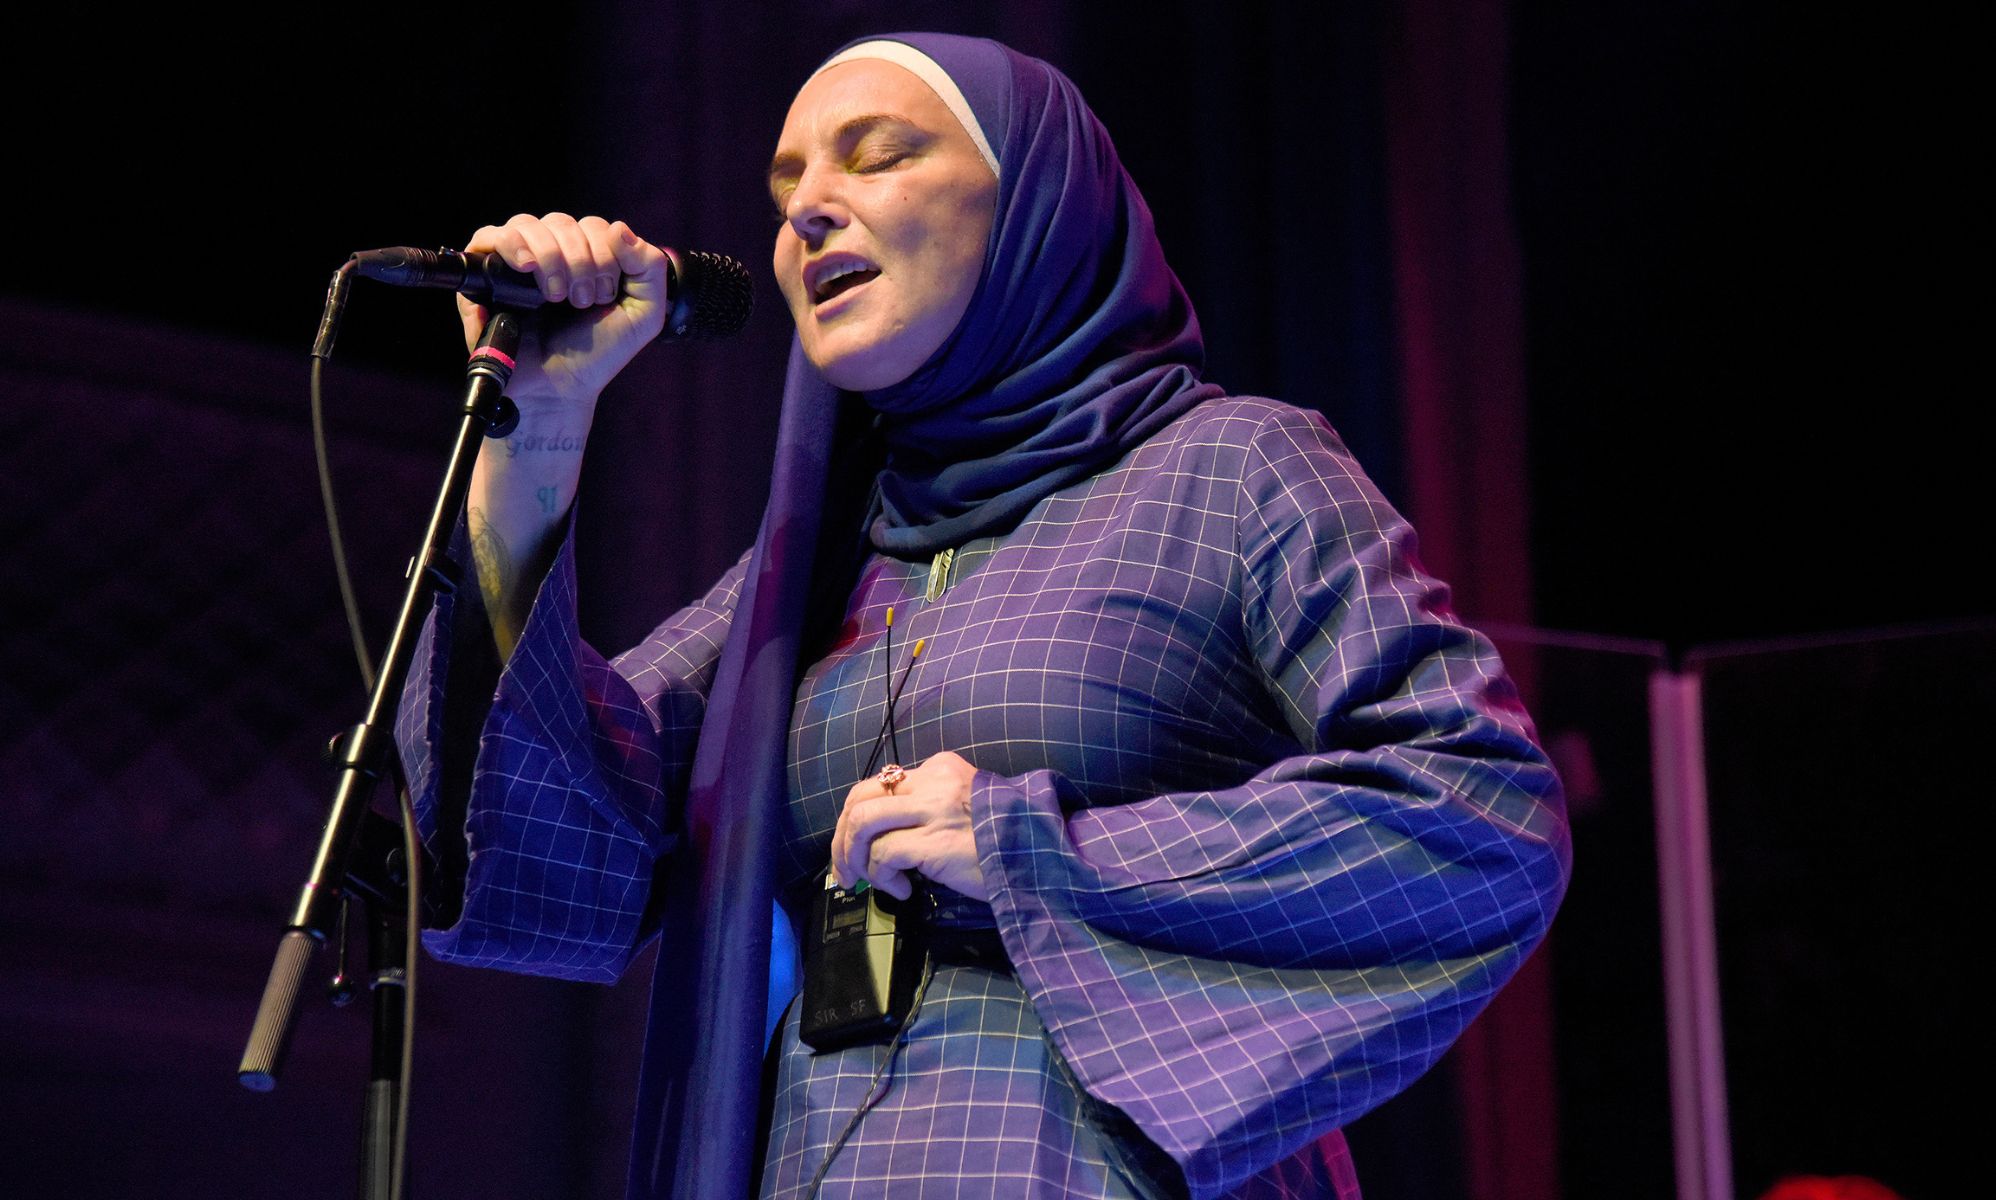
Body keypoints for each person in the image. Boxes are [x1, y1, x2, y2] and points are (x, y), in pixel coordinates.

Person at [395, 31, 1571, 1200]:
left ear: (1034, 206)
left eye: (876, 155)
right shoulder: (807, 566)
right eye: (787, 183)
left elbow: (1477, 808)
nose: (809, 209)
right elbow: (539, 861)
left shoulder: (1229, 469)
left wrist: (1027, 848)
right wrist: (536, 428)